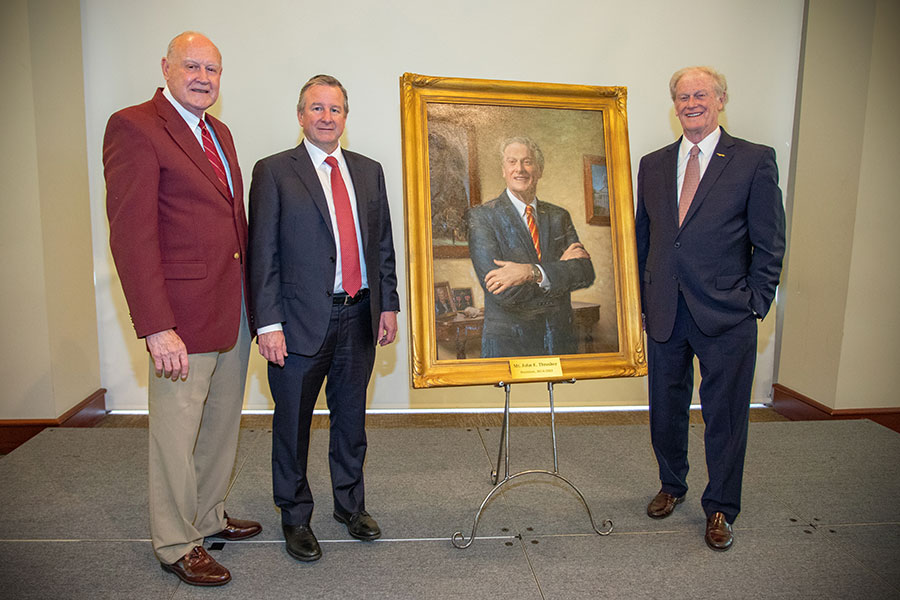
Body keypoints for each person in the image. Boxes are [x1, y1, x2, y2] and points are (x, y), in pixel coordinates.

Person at [103, 31, 260, 586]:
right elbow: (132, 236)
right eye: (192, 66)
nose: (203, 78)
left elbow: (232, 225)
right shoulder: (135, 127)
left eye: (212, 70)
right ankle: (175, 541)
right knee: (175, 433)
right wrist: (156, 325)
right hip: (180, 319)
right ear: (166, 68)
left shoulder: (220, 132)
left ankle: (208, 516)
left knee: (221, 425)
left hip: (232, 308)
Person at [248, 74, 400, 562]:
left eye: (335, 109)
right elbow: (262, 253)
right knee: (292, 424)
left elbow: (382, 247)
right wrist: (266, 323)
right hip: (296, 324)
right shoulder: (273, 172)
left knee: (351, 420)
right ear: (300, 115)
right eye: (316, 108)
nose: (326, 117)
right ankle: (294, 516)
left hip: (359, 315)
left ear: (345, 117)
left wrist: (389, 303)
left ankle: (350, 506)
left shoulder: (369, 170)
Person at [635, 66, 785, 551]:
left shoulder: (753, 160)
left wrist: (755, 303)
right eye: (682, 96)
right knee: (666, 409)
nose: (691, 102)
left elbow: (770, 242)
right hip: (665, 311)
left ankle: (720, 506)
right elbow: (646, 239)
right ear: (674, 104)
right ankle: (671, 485)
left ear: (720, 99)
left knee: (724, 416)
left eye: (700, 94)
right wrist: (641, 298)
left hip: (727, 314)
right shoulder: (653, 164)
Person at [467, 137, 595, 358]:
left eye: (527, 162)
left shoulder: (559, 216)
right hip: (510, 348)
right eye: (512, 162)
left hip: (560, 343)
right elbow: (502, 292)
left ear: (539, 169)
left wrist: (530, 272)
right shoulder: (481, 217)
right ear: (503, 170)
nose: (520, 169)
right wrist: (559, 270)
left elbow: (585, 273)